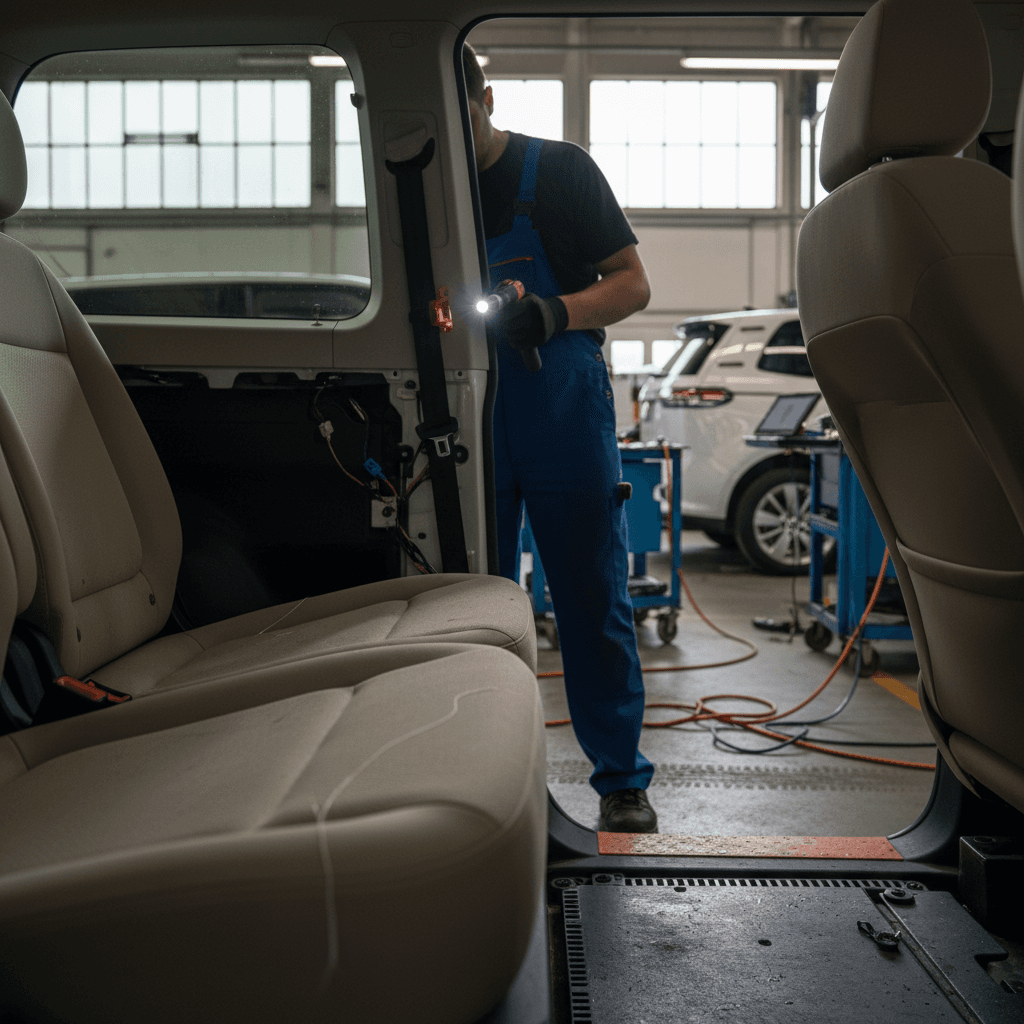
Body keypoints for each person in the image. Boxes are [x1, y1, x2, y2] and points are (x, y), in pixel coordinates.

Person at [463, 43, 658, 834]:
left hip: (561, 401)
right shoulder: (422, 188)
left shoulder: (560, 172)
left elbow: (635, 283)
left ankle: (620, 779)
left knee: (588, 594)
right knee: (469, 602)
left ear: (487, 100)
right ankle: (472, 774)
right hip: (468, 411)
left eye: (462, 113)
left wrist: (555, 311)